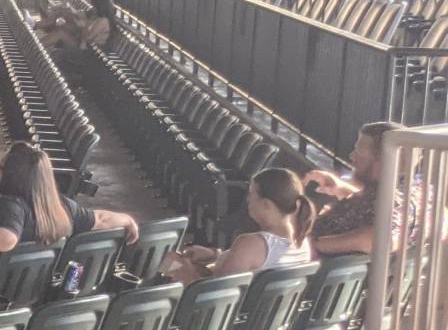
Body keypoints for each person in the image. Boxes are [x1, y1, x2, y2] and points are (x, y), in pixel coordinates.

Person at [0, 141, 138, 253]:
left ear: (12, 175)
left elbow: (6, 237)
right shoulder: (63, 208)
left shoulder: (10, 208)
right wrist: (128, 220)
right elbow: (102, 219)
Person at [167, 167, 316, 284]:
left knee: (168, 260)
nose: (248, 199)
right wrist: (214, 255)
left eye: (251, 194)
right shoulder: (302, 242)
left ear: (267, 205)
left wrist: (185, 271)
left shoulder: (252, 243)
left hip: (218, 317)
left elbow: (214, 296)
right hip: (258, 317)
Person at [309, 121, 396, 257]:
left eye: (359, 151)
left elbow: (377, 240)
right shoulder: (419, 193)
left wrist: (311, 244)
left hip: (318, 271)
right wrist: (342, 190)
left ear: (381, 158)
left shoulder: (393, 199)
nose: (352, 156)